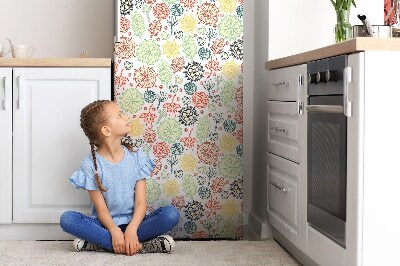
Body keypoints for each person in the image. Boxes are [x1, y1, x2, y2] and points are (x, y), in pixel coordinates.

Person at [60, 100, 180, 256]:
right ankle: (141, 246)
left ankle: (104, 244)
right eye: (119, 115)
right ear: (106, 130)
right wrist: (114, 230)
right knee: (67, 219)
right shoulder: (90, 165)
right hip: (106, 225)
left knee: (170, 214)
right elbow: (102, 210)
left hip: (137, 223)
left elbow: (140, 203)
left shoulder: (136, 156)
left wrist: (132, 229)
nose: (126, 117)